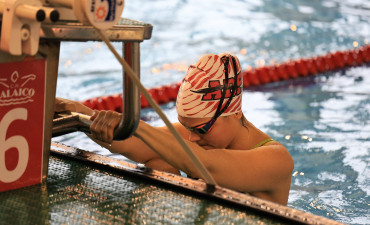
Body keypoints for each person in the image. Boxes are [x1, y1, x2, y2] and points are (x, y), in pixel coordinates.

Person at [55, 53, 294, 205]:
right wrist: (76, 111)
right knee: (160, 162)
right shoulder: (199, 138)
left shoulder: (277, 160)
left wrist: (134, 124)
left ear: (235, 112)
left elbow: (207, 165)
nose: (191, 136)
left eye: (201, 129)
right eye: (187, 127)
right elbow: (137, 144)